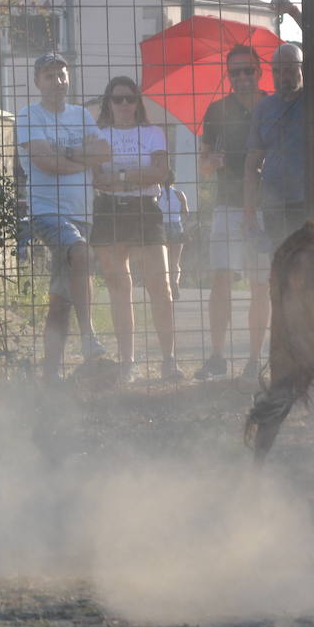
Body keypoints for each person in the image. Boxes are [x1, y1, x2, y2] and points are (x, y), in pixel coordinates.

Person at [242, 0, 314, 382]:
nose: (284, 76)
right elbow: (252, 163)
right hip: (274, 208)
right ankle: (287, 359)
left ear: (304, 69)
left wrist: (299, 16)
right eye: (278, 70)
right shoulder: (264, 109)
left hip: (311, 203)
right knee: (282, 283)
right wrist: (249, 211)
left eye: (291, 69)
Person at [15, 52, 112, 382]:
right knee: (81, 252)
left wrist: (69, 155)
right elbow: (45, 162)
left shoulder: (82, 115)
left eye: (62, 74)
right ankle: (89, 338)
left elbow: (103, 153)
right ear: (37, 83)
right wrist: (81, 158)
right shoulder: (29, 115)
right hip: (47, 212)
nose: (58, 81)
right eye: (49, 76)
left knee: (60, 298)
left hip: (82, 213)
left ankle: (50, 375)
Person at [89, 77, 181, 383]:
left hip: (145, 210)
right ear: (108, 103)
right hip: (110, 209)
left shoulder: (153, 133)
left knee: (161, 287)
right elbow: (98, 179)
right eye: (118, 99)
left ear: (138, 102)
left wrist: (122, 176)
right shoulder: (98, 135)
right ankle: (127, 361)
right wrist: (136, 177)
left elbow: (160, 172)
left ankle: (169, 360)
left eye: (130, 99)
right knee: (119, 289)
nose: (125, 105)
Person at [198, 43, 270, 380]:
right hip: (227, 204)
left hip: (266, 206)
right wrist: (212, 162)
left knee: (260, 284)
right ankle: (216, 357)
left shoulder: (274, 106)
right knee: (220, 280)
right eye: (235, 71)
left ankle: (254, 361)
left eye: (248, 70)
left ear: (259, 70)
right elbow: (203, 165)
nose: (242, 77)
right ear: (228, 76)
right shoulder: (215, 111)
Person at [158, 174, 189, 300]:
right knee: (175, 261)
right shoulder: (180, 194)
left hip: (161, 226)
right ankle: (174, 281)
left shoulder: (158, 194)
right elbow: (186, 212)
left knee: (162, 259)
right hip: (176, 225)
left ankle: (165, 285)